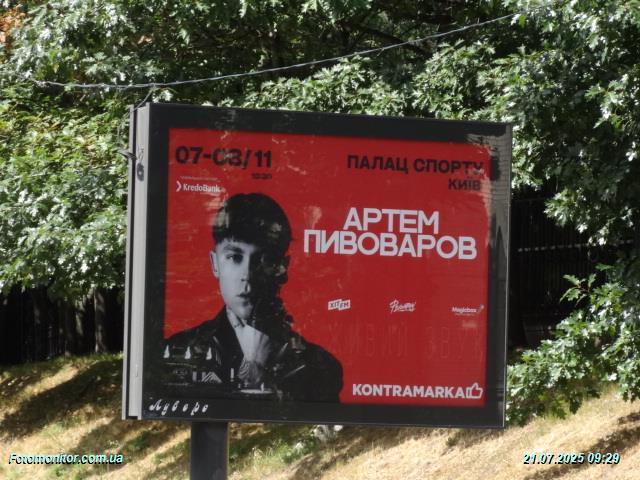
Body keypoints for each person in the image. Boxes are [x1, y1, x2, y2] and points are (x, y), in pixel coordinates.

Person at [163, 193, 343, 402]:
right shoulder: (176, 350)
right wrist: (253, 370)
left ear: (282, 267)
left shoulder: (321, 367)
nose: (247, 275)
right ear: (215, 263)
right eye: (234, 257)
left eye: (263, 259)